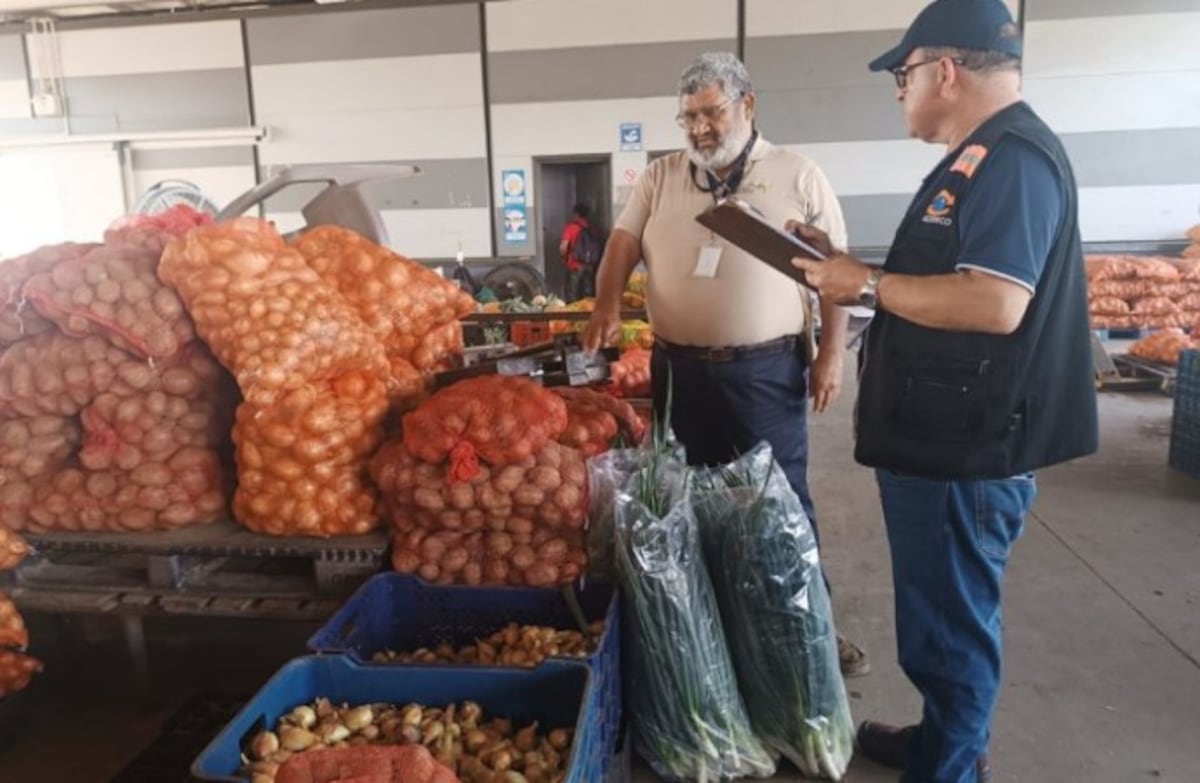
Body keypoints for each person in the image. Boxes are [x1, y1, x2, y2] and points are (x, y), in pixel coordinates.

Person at [788, 2, 1099, 781]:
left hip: (969, 450)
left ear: (945, 72)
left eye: (905, 74)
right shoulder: (979, 156)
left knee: (955, 628)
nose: (901, 90)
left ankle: (952, 767)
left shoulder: (1015, 159)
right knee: (937, 620)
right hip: (939, 438)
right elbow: (935, 279)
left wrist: (868, 282)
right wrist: (845, 267)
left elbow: (996, 303)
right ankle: (940, 741)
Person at [583, 51, 870, 677]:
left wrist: (829, 357)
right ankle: (716, 628)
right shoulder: (661, 177)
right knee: (686, 501)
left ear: (748, 104)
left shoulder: (797, 173)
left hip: (765, 374)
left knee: (779, 503)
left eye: (711, 112)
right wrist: (606, 304)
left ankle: (814, 629)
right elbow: (622, 243)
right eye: (688, 117)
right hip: (678, 372)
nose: (699, 128)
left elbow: (837, 273)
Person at [559, 203, 599, 301]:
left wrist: (564, 258)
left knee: (572, 293)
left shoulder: (571, 227)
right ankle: (587, 314)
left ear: (576, 214)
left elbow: (563, 247)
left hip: (575, 264)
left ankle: (572, 314)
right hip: (589, 265)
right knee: (587, 294)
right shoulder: (591, 227)